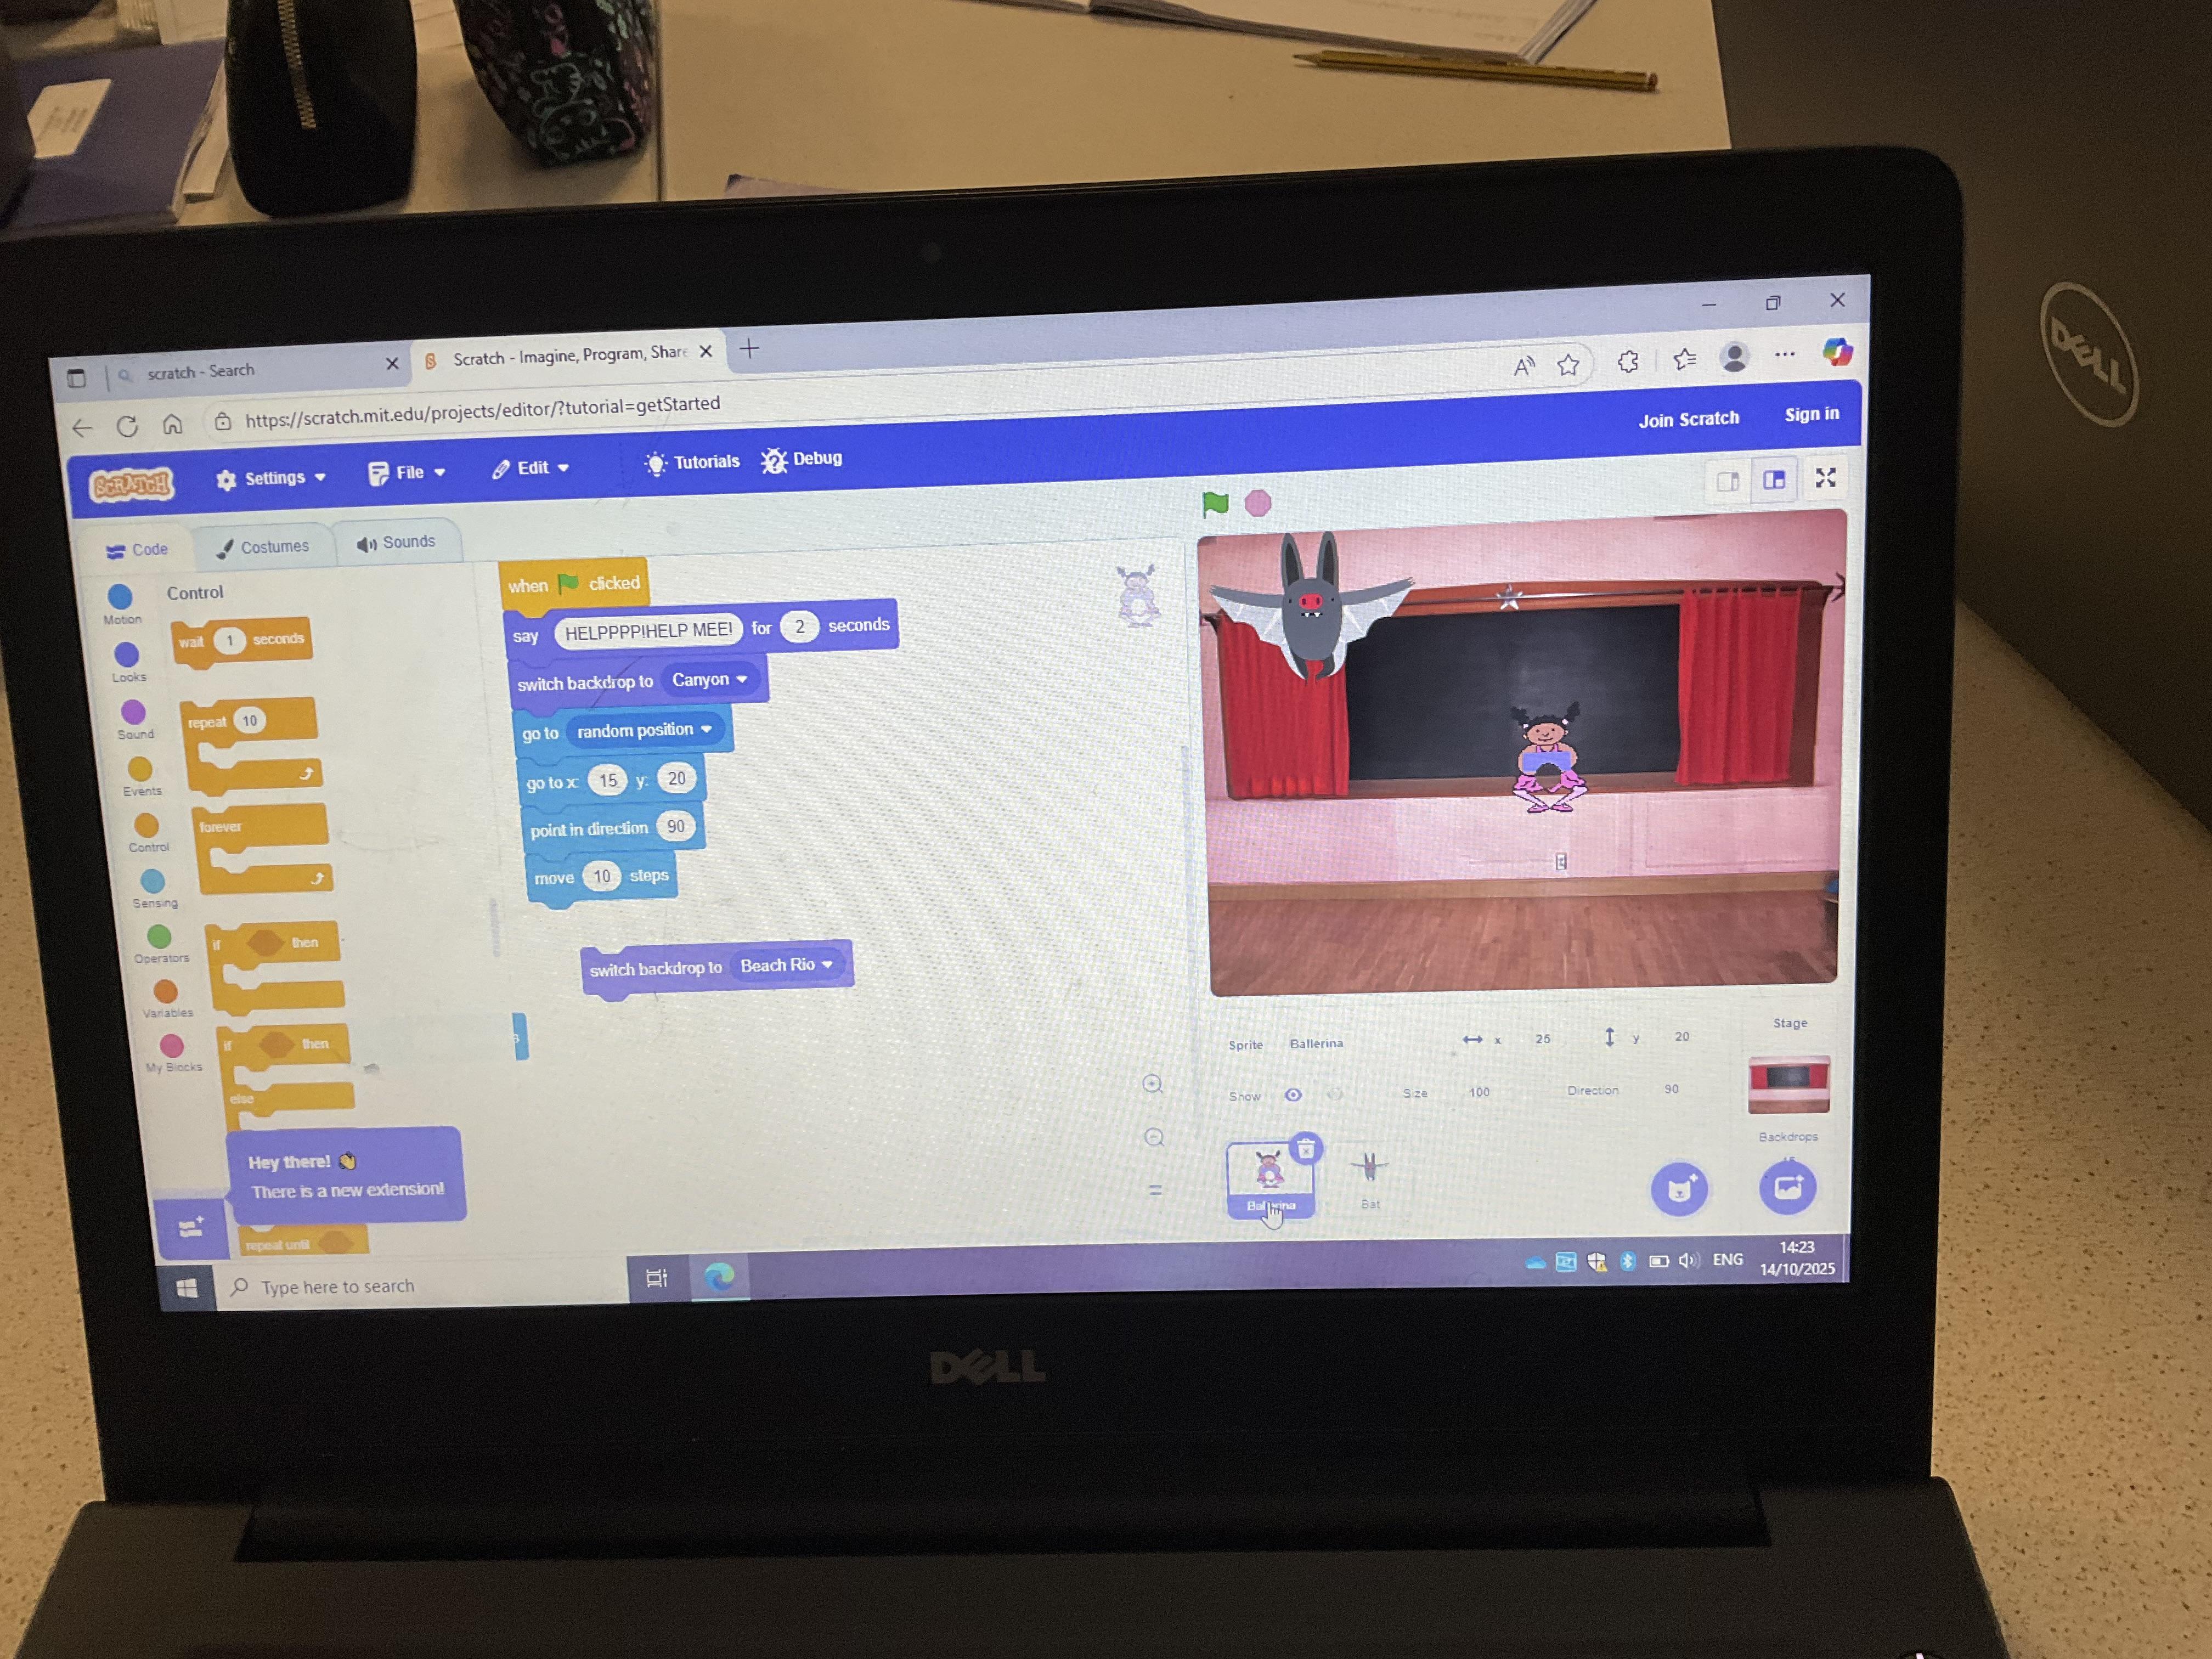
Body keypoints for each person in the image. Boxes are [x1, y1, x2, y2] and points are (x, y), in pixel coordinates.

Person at [1511, 702, 1587, 812]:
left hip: (1563, 777)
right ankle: (1540, 804)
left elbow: (1571, 759)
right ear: (1526, 736)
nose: (1545, 735)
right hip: (1533, 778)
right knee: (1519, 790)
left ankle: (1560, 803)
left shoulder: (1563, 749)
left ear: (1565, 733)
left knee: (1581, 789)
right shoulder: (1531, 752)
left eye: (1553, 730)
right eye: (1538, 731)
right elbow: (1524, 765)